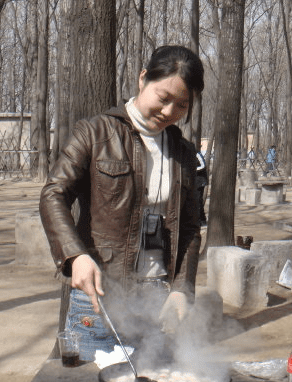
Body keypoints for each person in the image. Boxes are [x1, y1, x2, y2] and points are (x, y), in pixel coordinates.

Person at [39, 45, 204, 361]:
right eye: (163, 97)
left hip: (158, 300)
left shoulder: (184, 153)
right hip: (100, 295)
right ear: (143, 79)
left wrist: (183, 289)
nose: (170, 112)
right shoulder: (94, 133)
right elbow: (53, 194)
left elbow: (191, 229)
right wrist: (76, 255)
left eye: (182, 105)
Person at [196, 149, 208, 227]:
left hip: (200, 181)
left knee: (198, 201)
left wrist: (193, 169)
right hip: (195, 181)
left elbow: (203, 165)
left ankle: (202, 221)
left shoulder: (197, 153)